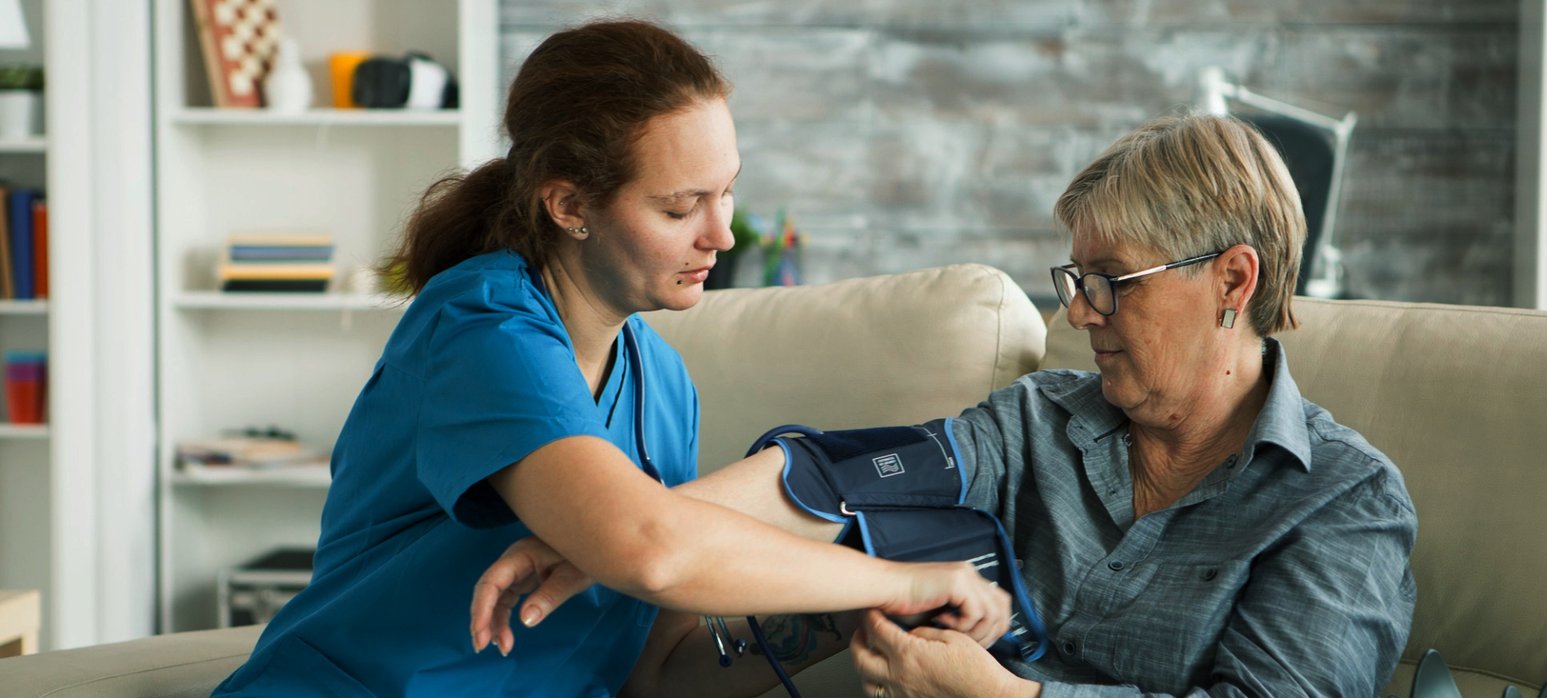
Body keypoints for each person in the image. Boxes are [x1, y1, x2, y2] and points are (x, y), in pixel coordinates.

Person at [471, 112, 1418, 697]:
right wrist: (615, 532)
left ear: (1233, 279)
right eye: (1073, 277)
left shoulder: (1343, 502)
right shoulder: (1040, 418)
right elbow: (828, 477)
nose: (1079, 312)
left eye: (1111, 281)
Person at [213, 19, 1010, 698]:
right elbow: (650, 550)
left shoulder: (662, 382)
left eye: (726, 191)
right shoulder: (481, 327)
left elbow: (652, 675)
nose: (722, 235)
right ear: (569, 205)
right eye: (678, 206)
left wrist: (842, 618)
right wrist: (899, 575)